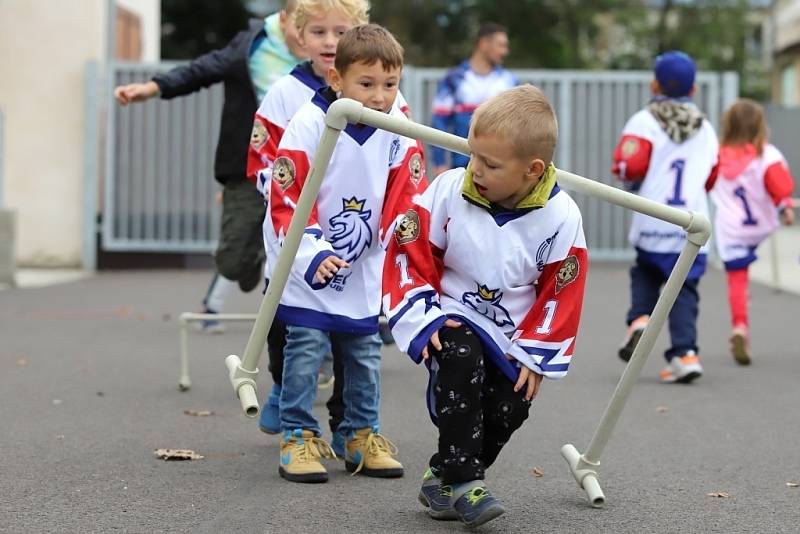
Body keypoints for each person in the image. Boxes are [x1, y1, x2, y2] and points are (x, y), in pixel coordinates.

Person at [384, 85, 588, 527]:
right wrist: (422, 315)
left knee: (510, 407)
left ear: (533, 170)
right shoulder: (447, 190)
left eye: (490, 164)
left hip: (512, 332)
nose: (474, 168)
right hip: (451, 312)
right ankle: (465, 483)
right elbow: (410, 248)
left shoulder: (562, 216)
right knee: (461, 358)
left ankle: (442, 475)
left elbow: (562, 290)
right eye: (473, 155)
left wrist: (536, 353)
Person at [265, 24, 427, 483]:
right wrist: (312, 254)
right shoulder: (311, 123)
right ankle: (298, 434)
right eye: (367, 84)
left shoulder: (398, 125)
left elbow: (407, 193)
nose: (380, 97)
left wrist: (398, 246)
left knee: (364, 350)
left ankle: (358, 433)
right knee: (307, 347)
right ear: (337, 81)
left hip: (363, 264)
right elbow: (288, 196)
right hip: (309, 260)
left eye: (390, 84)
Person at [113, 2, 306, 319]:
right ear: (283, 19)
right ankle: (252, 254)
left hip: (304, 169)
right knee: (231, 261)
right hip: (251, 166)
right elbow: (202, 69)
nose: (309, 41)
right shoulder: (250, 47)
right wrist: (152, 88)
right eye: (302, 30)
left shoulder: (327, 57)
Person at [246, 0, 371, 455]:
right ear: (300, 36)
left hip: (352, 237)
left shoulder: (379, 93)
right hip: (294, 231)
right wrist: (285, 194)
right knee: (286, 320)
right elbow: (263, 158)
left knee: (349, 335)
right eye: (318, 32)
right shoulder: (285, 92)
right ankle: (283, 387)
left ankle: (346, 421)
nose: (330, 42)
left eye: (341, 31)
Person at [612, 50, 719, 383]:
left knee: (645, 273)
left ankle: (640, 319)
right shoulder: (706, 129)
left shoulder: (643, 121)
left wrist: (628, 180)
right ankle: (685, 354)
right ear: (694, 90)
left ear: (654, 83)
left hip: (653, 219)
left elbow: (629, 166)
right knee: (684, 291)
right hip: (691, 226)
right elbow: (713, 175)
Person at [710, 99, 795, 365]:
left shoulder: (717, 155)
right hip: (760, 224)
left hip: (731, 229)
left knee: (738, 279)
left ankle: (740, 326)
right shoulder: (767, 155)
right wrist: (786, 207)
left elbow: (706, 183)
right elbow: (781, 187)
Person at [430, 22, 516, 177]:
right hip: (462, 169)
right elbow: (439, 123)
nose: (505, 51)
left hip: (499, 171)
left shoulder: (509, 82)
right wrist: (439, 162)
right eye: (501, 45)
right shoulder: (455, 79)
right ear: (483, 43)